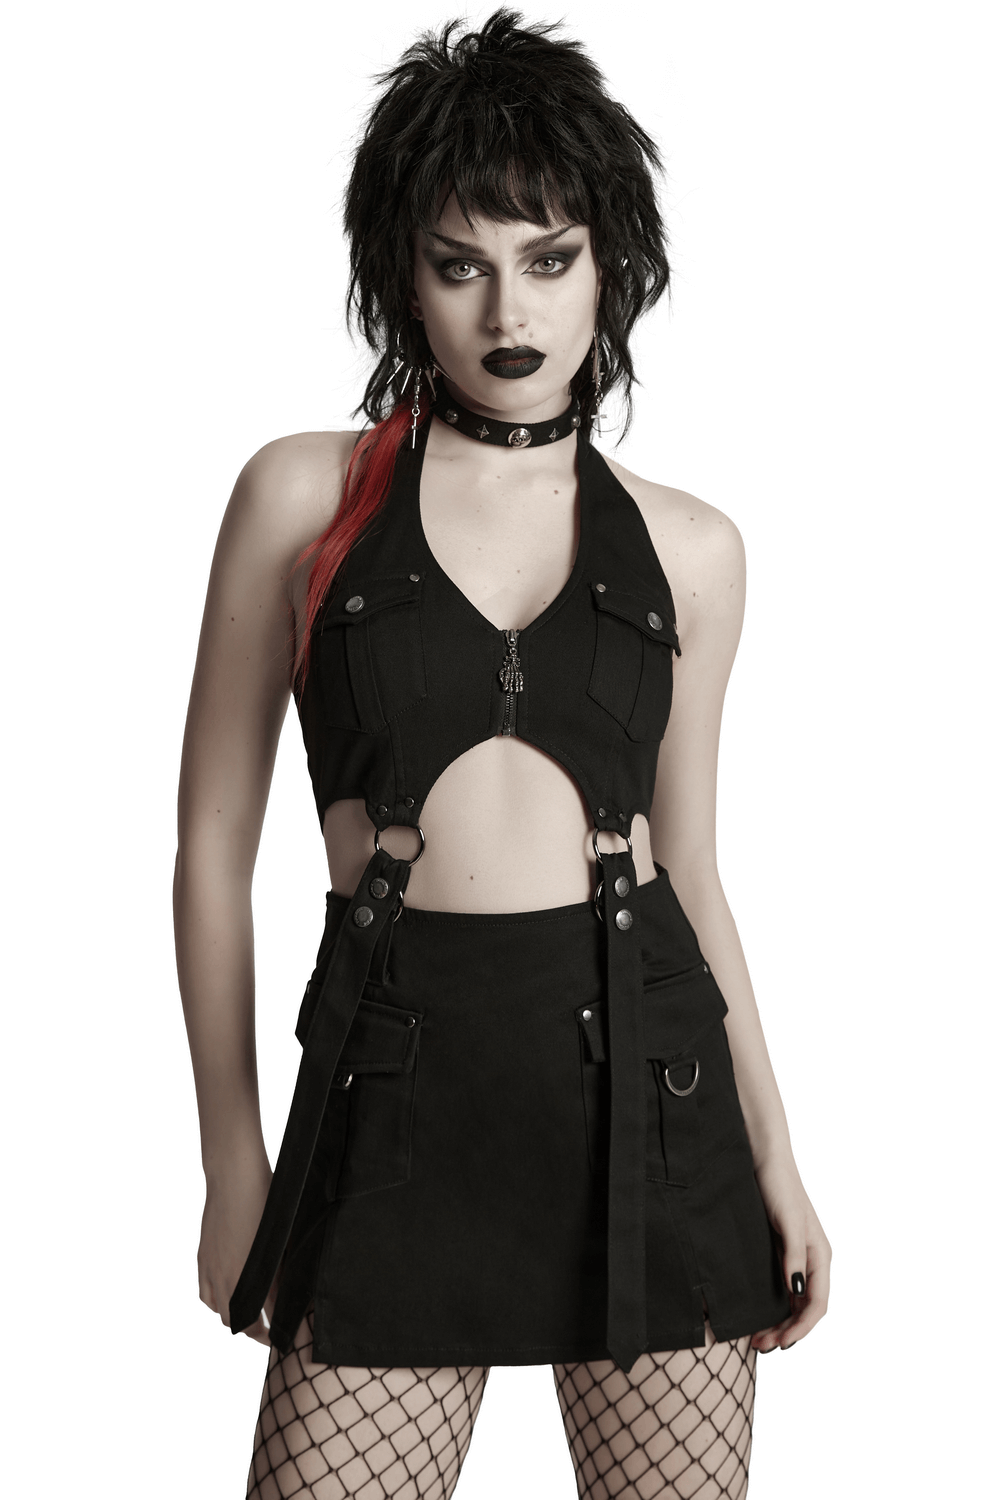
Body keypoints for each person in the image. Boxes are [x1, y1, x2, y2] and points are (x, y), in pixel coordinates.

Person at [174, 11, 832, 1498]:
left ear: (611, 265)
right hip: (394, 1101)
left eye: (549, 258)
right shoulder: (304, 498)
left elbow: (690, 872)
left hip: (650, 1108)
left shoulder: (692, 548)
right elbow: (211, 848)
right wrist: (230, 1161)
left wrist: (777, 1158)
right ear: (401, 274)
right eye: (459, 263)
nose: (507, 309)